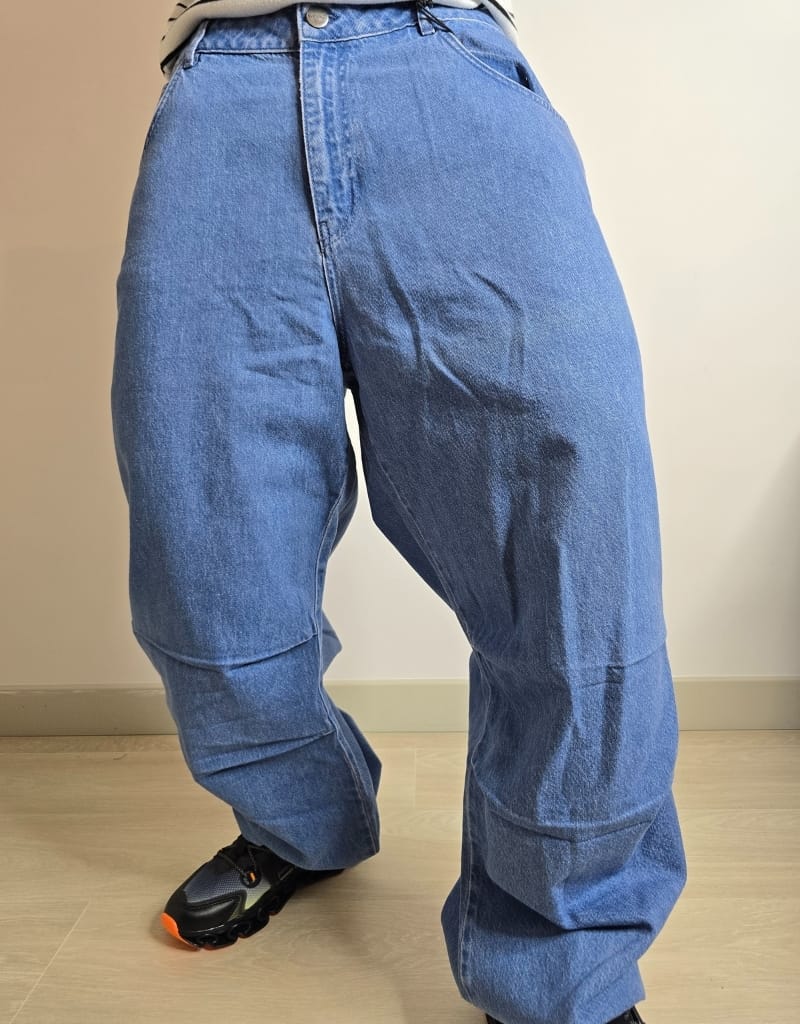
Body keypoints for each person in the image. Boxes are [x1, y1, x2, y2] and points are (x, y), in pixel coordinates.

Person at [110, 4, 687, 1023]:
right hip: (220, 94)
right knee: (204, 574)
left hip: (442, 63)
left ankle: (562, 963)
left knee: (573, 556)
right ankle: (302, 821)